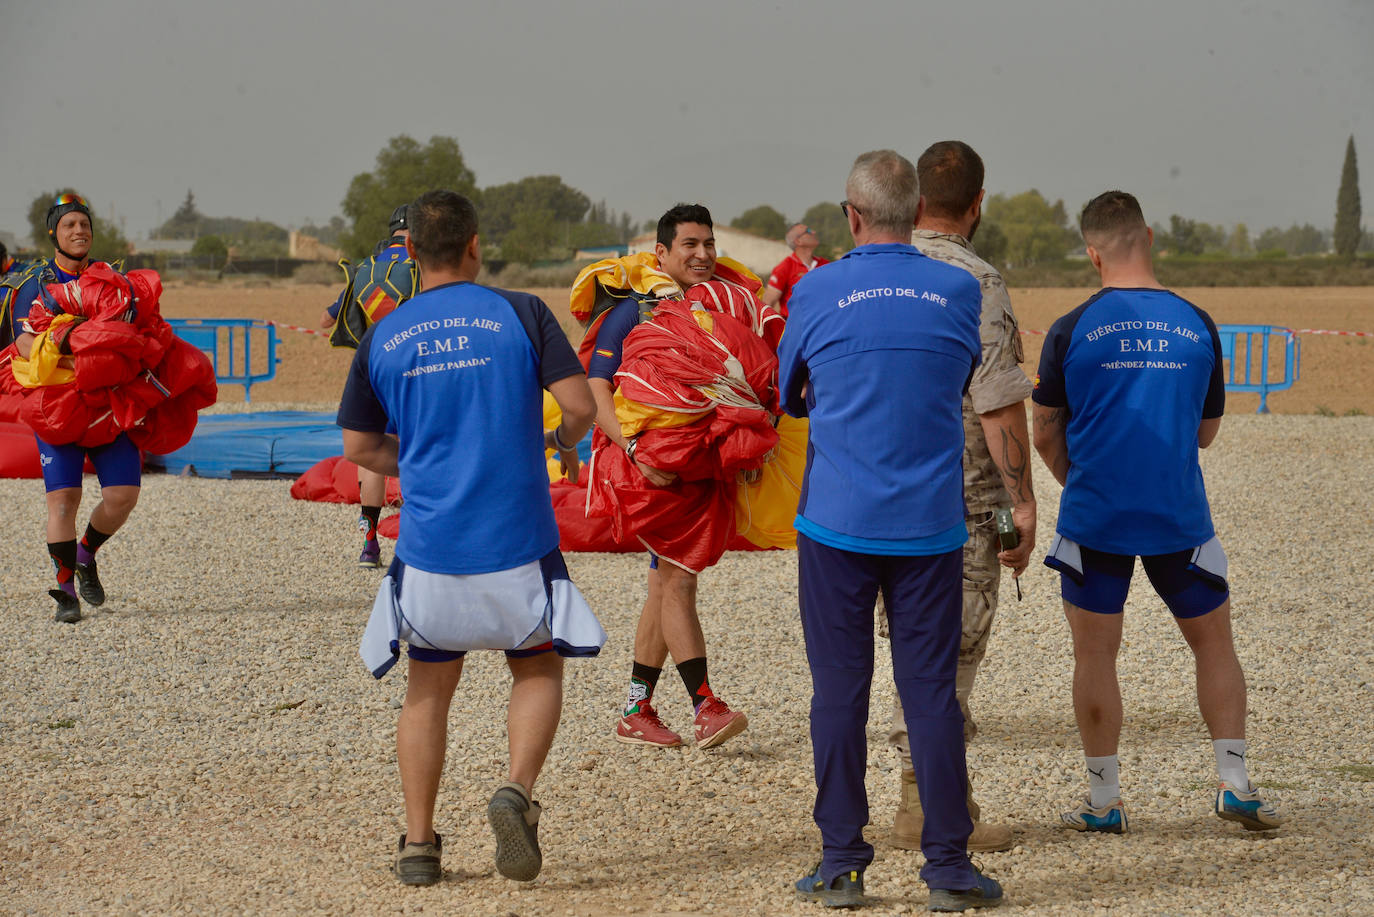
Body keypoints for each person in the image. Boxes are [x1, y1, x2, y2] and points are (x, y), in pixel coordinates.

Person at [338, 189, 599, 886]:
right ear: (476, 244)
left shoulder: (386, 333)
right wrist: (559, 440)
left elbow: (359, 444)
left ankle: (420, 845)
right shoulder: (521, 312)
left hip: (432, 552)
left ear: (412, 254)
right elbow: (580, 407)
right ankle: (515, 790)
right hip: (518, 544)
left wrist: (416, 458)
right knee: (538, 664)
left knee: (428, 688)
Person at [779, 150, 1003, 911]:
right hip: (930, 525)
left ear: (851, 215)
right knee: (930, 695)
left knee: (839, 691)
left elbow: (790, 393)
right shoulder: (958, 288)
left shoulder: (816, 288)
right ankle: (949, 867)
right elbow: (961, 374)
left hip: (838, 521)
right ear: (915, 210)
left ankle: (842, 860)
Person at [1032, 190, 1287, 836]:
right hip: (1180, 516)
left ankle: (1103, 799)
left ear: (1092, 253)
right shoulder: (1197, 322)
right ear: (1148, 236)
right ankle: (1234, 783)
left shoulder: (1069, 328)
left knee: (1094, 655)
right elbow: (1205, 433)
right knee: (1214, 643)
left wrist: (1077, 478)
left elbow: (1041, 431)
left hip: (1096, 518)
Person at [884, 141, 1035, 854]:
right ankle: (927, 807)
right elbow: (1000, 408)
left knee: (910, 644)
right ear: (977, 206)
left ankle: (947, 796)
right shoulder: (977, 280)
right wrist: (1021, 511)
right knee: (954, 652)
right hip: (964, 500)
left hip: (881, 496)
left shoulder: (875, 271)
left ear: (915, 203)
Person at [585, 204, 757, 751]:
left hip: (701, 467)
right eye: (690, 245)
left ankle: (637, 708)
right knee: (678, 578)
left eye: (709, 244)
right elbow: (595, 392)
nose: (703, 254)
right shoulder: (632, 311)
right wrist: (634, 450)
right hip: (650, 471)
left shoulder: (722, 306)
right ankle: (706, 705)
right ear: (662, 253)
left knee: (664, 582)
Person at [8, 194, 142, 624]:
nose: (79, 231)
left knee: (123, 497)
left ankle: (86, 554)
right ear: (54, 233)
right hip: (58, 408)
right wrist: (72, 342)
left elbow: (136, 328)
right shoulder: (34, 284)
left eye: (84, 224)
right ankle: (66, 593)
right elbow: (25, 343)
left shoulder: (111, 279)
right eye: (69, 226)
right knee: (64, 500)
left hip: (106, 405)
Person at [321, 204, 416, 568]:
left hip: (373, 370)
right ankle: (416, 539)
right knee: (416, 448)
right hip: (414, 370)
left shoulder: (365, 267)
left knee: (372, 456)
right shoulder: (419, 265)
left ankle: (369, 544)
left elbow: (327, 318)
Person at [761, 222, 829, 318]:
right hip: (795, 327)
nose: (814, 232)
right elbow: (768, 303)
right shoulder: (784, 267)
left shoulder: (826, 264)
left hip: (822, 325)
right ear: (798, 241)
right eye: (808, 231)